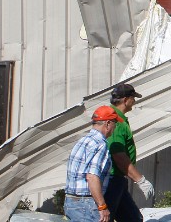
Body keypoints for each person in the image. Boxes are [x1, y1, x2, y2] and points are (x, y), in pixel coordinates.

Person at [103, 82, 154, 222]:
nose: (135, 101)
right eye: (133, 98)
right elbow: (118, 154)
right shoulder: (116, 121)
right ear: (125, 100)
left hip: (118, 180)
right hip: (112, 179)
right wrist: (140, 179)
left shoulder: (118, 118)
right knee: (106, 218)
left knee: (133, 219)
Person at [65, 105, 121, 222]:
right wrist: (102, 206)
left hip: (71, 201)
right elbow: (92, 177)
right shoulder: (100, 144)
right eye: (115, 123)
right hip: (87, 204)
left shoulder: (83, 140)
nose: (115, 127)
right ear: (108, 123)